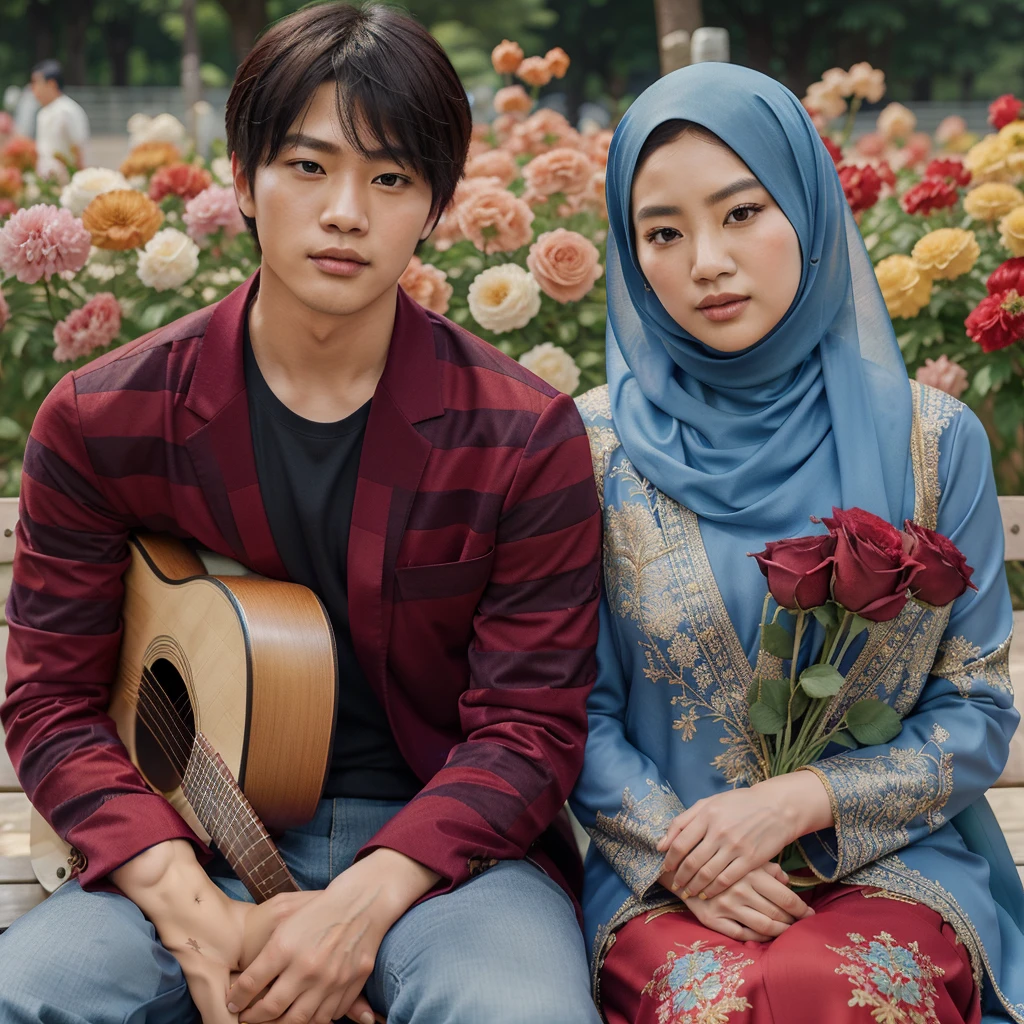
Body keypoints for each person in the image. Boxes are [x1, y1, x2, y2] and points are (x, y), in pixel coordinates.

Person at [0, 6, 603, 1023]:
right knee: (29, 992)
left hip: (440, 859)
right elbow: (51, 701)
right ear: (243, 178)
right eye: (309, 166)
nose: (345, 212)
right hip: (181, 836)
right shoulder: (106, 417)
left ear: (437, 208)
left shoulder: (520, 433)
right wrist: (181, 896)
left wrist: (359, 904)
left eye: (391, 178)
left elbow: (528, 731)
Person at [570, 62, 1024, 1023]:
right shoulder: (595, 453)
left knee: (833, 991)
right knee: (722, 1001)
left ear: (810, 212)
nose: (706, 262)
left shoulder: (934, 444)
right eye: (664, 232)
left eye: (742, 213)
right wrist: (685, 857)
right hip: (666, 879)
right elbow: (572, 711)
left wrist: (803, 799)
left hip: (891, 860)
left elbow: (975, 702)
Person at [30, 59, 89, 177]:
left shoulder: (67, 110)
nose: (33, 89)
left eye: (36, 83)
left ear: (51, 84)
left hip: (66, 178)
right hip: (47, 179)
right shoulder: (42, 113)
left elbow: (79, 149)